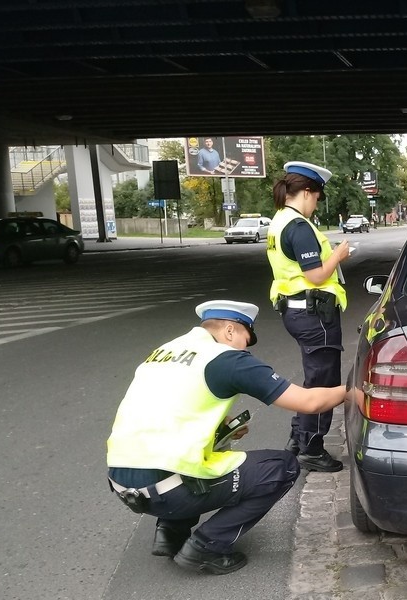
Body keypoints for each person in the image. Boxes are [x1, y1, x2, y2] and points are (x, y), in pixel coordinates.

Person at [106, 300, 345, 575]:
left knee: (195, 455)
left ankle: (170, 532)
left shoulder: (165, 351)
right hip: (168, 488)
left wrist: (222, 427)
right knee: (282, 467)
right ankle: (206, 547)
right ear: (230, 330)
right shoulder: (225, 358)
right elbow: (309, 402)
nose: (245, 347)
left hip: (123, 483)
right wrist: (350, 391)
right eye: (246, 338)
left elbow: (169, 409)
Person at [266, 161, 350, 472]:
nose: (316, 205)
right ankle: (312, 448)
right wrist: (338, 256)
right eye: (316, 198)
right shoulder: (298, 227)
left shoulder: (279, 221)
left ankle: (297, 437)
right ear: (307, 192)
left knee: (314, 377)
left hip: (297, 311)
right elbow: (315, 276)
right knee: (323, 384)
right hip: (315, 315)